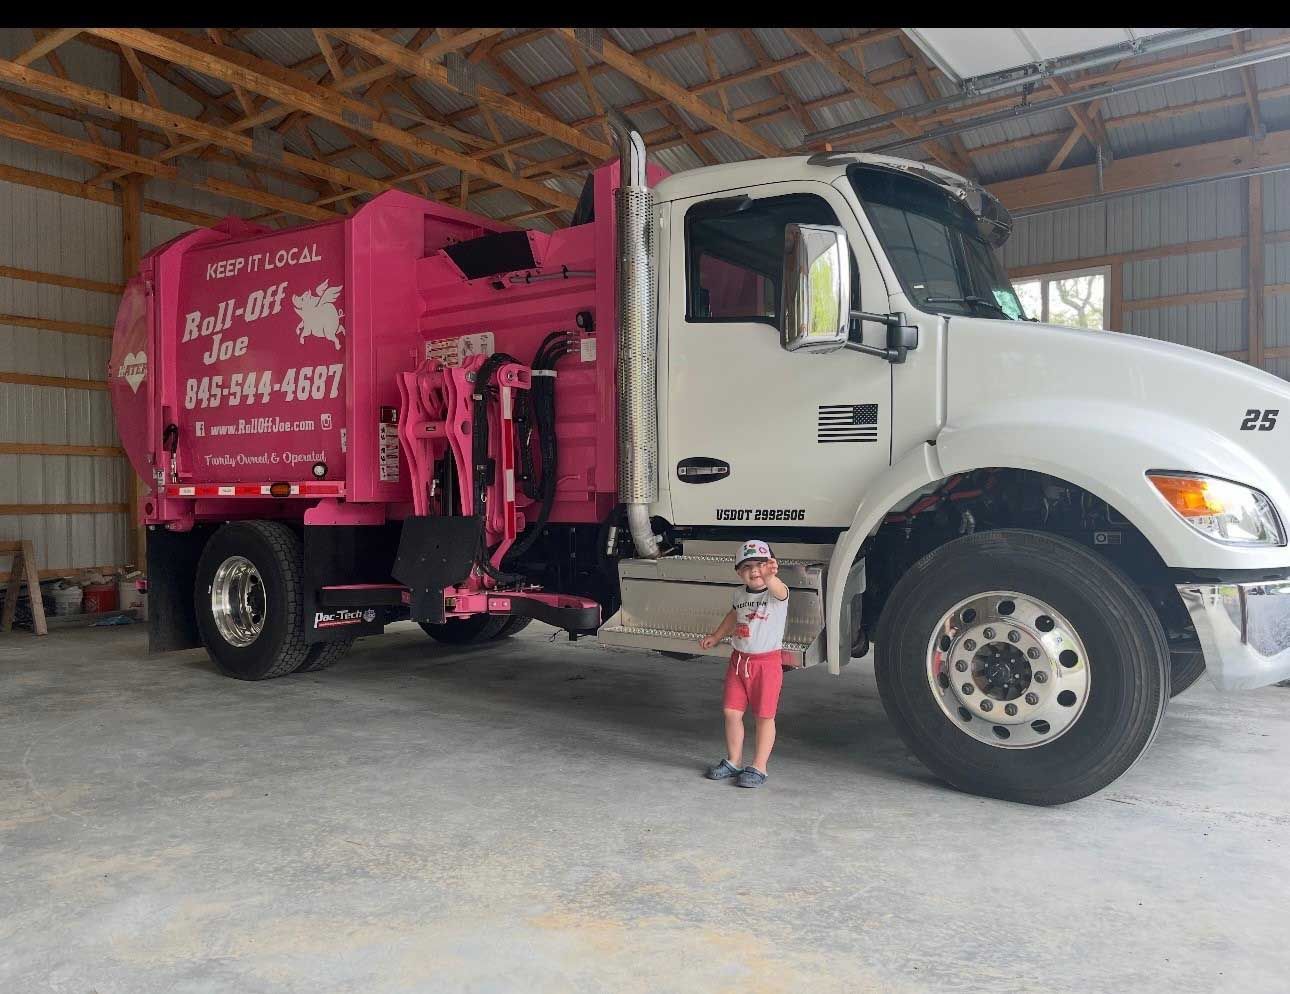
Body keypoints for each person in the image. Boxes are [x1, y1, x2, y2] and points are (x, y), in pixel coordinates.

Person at [699, 539, 789, 788]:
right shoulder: (739, 594)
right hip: (738, 662)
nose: (755, 571)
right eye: (747, 566)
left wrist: (772, 577)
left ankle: (759, 766)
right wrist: (716, 636)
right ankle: (734, 761)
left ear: (771, 566)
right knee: (731, 711)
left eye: (761, 565)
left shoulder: (776, 593)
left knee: (764, 716)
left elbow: (780, 590)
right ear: (739, 572)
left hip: (766, 665)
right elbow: (733, 616)